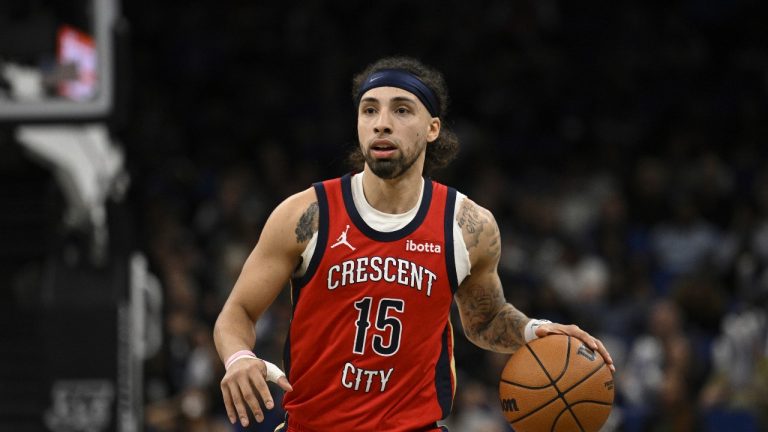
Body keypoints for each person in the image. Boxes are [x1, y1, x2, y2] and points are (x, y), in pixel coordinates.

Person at [213, 56, 615, 431]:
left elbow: (486, 320)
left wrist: (534, 330)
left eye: (401, 109)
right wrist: (238, 357)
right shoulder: (306, 214)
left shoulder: (467, 226)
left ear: (432, 128)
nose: (381, 123)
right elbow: (239, 312)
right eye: (369, 110)